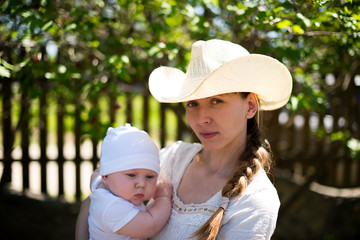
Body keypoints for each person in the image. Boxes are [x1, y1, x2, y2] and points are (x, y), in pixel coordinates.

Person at [76, 39, 292, 240]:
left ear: (250, 106)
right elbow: (97, 199)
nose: (201, 119)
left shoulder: (255, 202)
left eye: (216, 101)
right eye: (192, 104)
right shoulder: (171, 158)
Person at [87, 124, 172, 240]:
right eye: (131, 175)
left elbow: (95, 175)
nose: (141, 184)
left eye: (150, 176)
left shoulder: (100, 186)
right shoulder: (111, 207)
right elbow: (151, 226)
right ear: (105, 176)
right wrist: (163, 197)